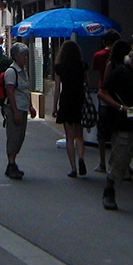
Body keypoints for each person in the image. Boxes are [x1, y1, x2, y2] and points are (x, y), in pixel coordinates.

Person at [100, 43, 133, 212]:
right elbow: (103, 92)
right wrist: (121, 108)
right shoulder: (120, 72)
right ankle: (109, 190)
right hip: (123, 124)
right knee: (119, 160)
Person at [52, 40, 89, 178]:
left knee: (69, 137)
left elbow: (57, 88)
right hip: (79, 100)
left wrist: (55, 106)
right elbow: (88, 84)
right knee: (79, 135)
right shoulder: (83, 66)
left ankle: (73, 168)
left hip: (66, 99)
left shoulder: (59, 67)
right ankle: (81, 157)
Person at [3, 42, 36, 179]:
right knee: (14, 137)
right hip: (14, 109)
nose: (26, 58)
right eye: (23, 56)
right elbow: (10, 93)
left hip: (22, 108)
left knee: (20, 137)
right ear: (16, 56)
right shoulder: (12, 72)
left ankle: (12, 163)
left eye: (27, 55)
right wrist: (15, 111)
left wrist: (30, 106)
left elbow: (25, 91)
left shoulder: (24, 71)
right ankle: (11, 164)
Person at [91, 31, 121, 172]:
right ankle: (121, 163)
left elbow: (99, 74)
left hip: (104, 94)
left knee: (102, 131)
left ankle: (102, 162)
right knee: (118, 130)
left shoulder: (99, 56)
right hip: (119, 96)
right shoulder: (122, 57)